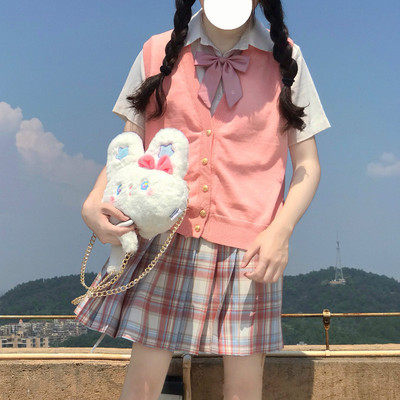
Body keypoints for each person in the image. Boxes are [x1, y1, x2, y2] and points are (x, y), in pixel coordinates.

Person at [74, 0, 330, 399]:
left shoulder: (286, 59)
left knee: (243, 388)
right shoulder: (156, 51)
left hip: (250, 247)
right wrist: (93, 200)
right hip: (165, 236)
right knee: (142, 384)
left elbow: (308, 165)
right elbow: (130, 145)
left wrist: (281, 231)